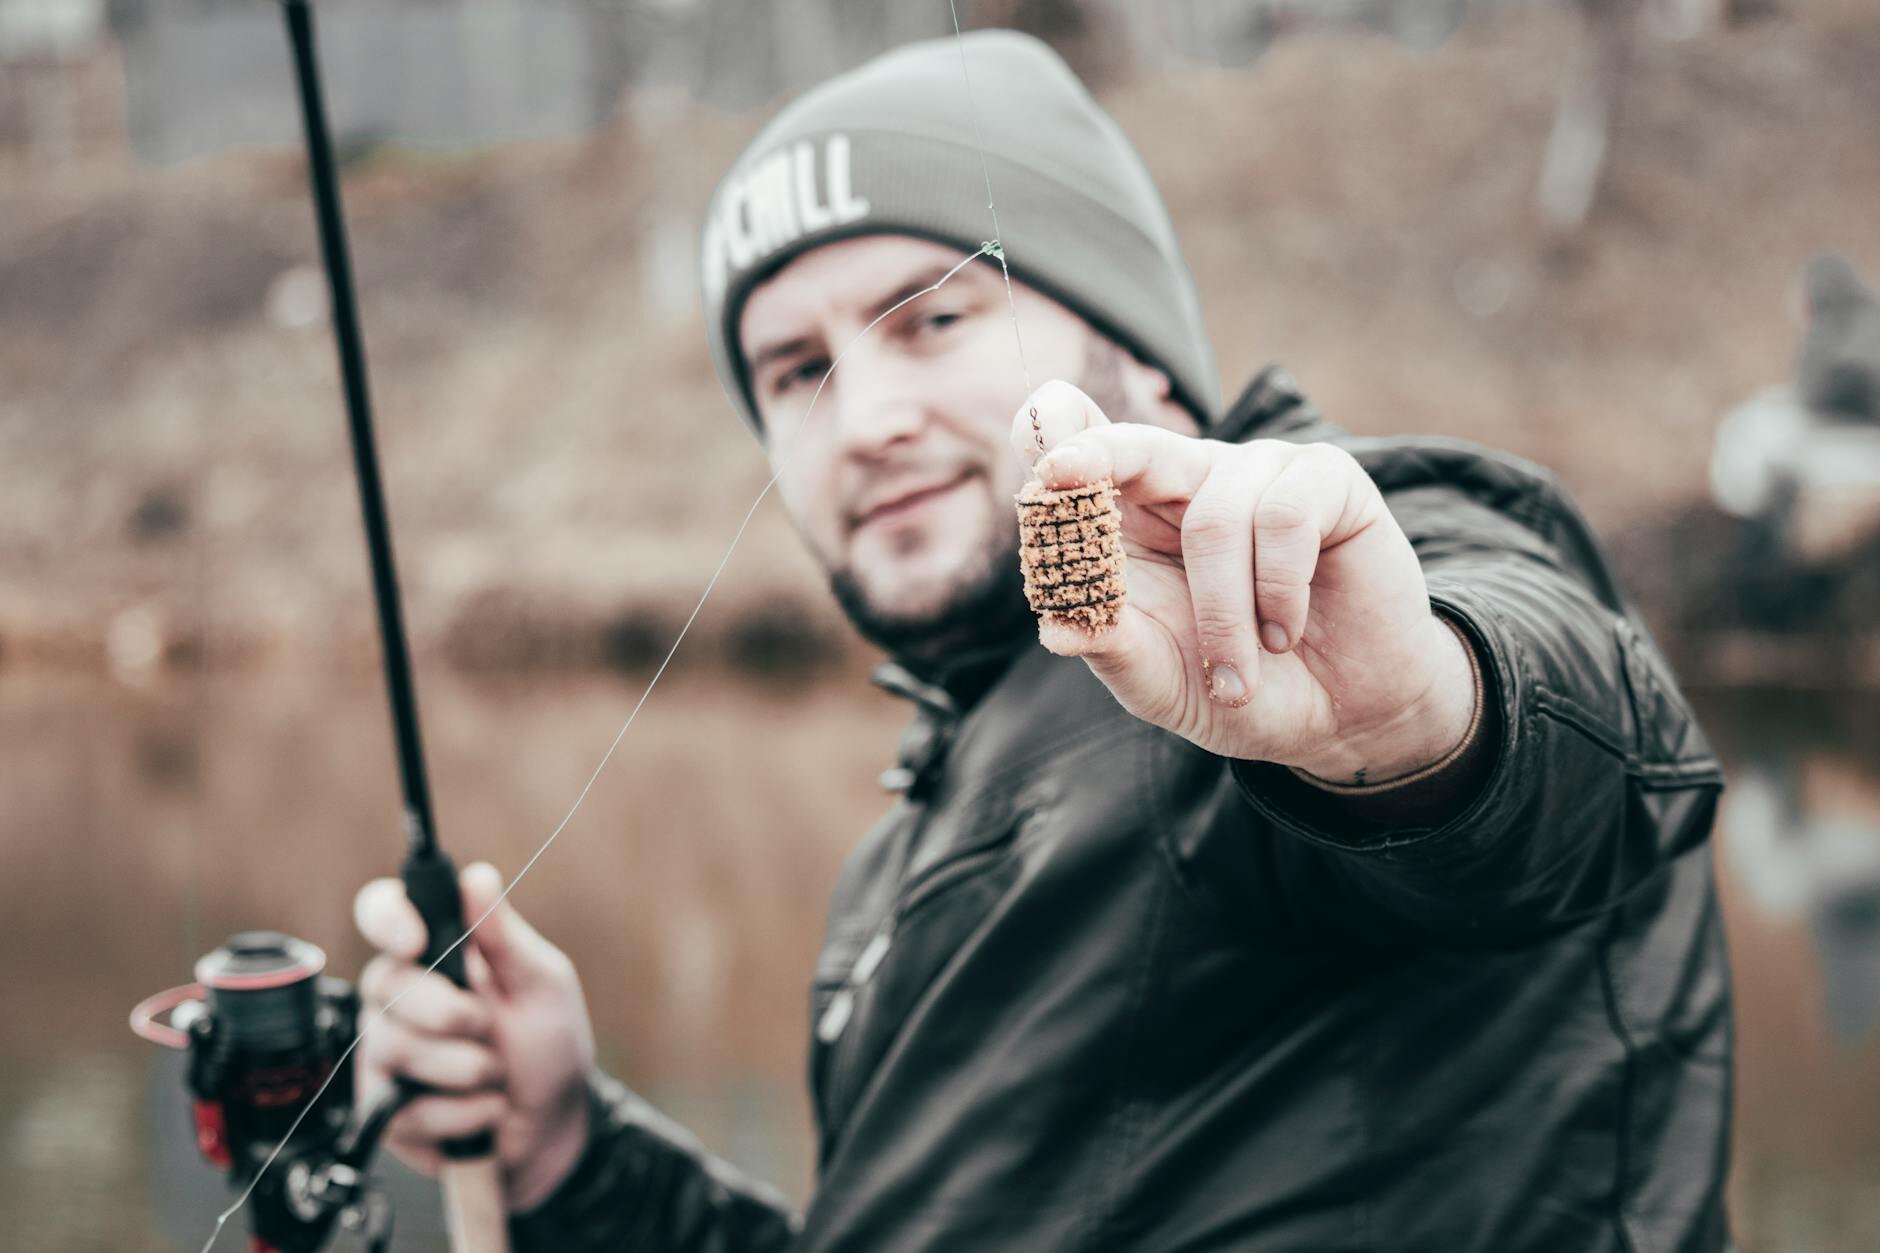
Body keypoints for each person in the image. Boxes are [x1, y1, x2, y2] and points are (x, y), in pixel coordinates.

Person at [353, 30, 1733, 1251]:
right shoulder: (907, 841)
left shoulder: (1318, 588)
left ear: (1138, 352)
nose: (864, 416)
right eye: (797, 370)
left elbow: (1593, 763)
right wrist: (572, 1160)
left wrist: (1419, 723)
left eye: (937, 316)